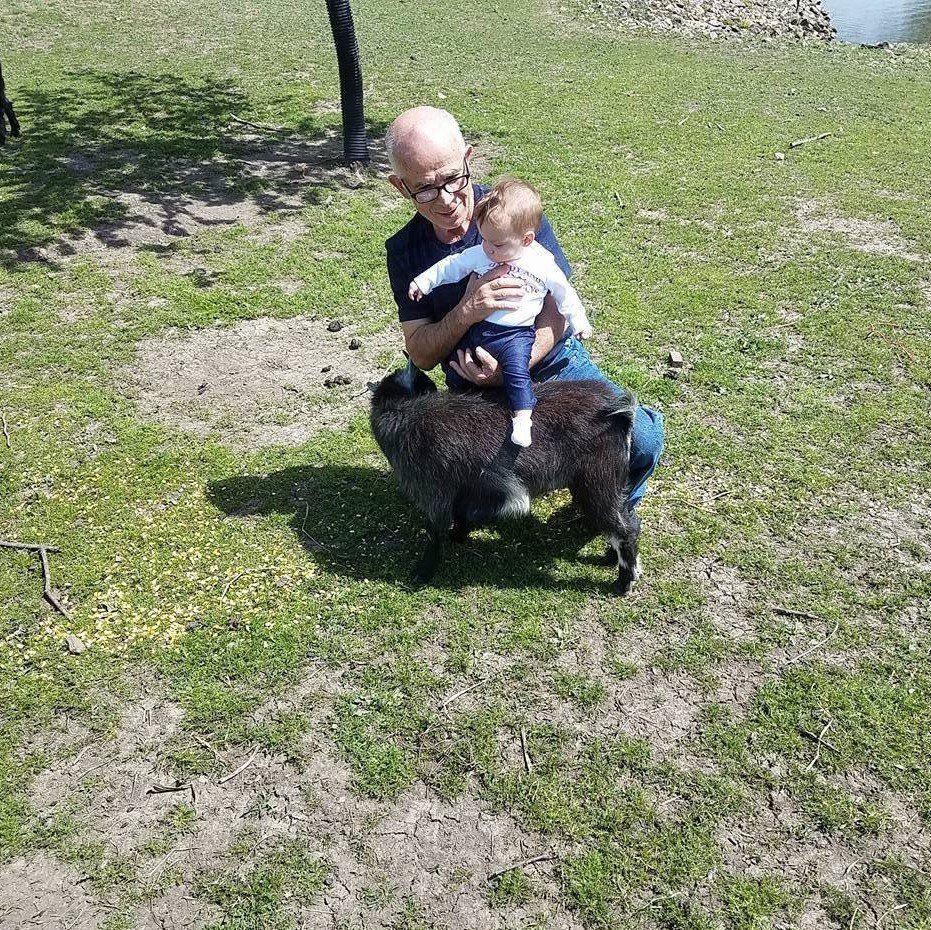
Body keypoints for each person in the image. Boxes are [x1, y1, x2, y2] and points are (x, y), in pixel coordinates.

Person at [384, 106, 664, 508]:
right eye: (425, 189)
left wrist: (513, 368)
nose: (445, 200)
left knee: (641, 439)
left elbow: (557, 306)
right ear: (400, 187)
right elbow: (422, 354)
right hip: (472, 389)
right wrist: (467, 309)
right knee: (479, 498)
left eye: (453, 179)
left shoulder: (513, 211)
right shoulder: (404, 251)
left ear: (468, 158)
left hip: (551, 361)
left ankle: (610, 499)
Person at [409, 177, 593, 446]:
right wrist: (423, 282)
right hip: (480, 329)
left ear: (526, 239)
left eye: (498, 245)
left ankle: (523, 418)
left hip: (516, 335)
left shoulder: (541, 262)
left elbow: (564, 293)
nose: (489, 250)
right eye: (484, 240)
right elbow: (452, 265)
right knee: (458, 365)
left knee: (516, 371)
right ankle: (457, 409)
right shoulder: (483, 252)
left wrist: (579, 322)